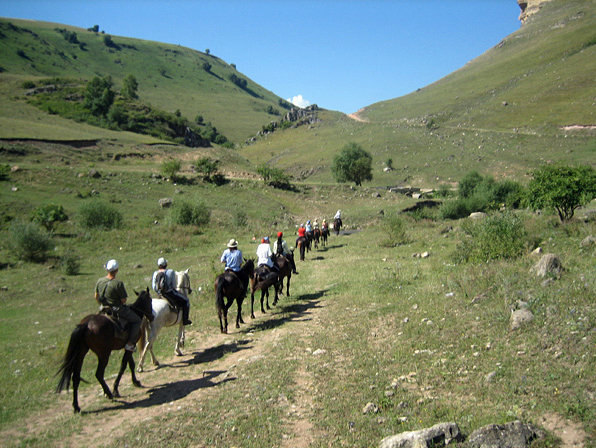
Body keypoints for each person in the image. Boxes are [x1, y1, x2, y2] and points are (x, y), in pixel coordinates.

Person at [95, 259, 141, 352]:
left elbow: (96, 297)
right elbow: (124, 300)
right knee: (137, 320)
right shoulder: (118, 283)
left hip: (103, 309)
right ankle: (130, 344)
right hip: (117, 309)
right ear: (116, 271)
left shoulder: (100, 281)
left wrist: (101, 305)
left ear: (107, 270)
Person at [152, 257, 192, 325]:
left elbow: (154, 287)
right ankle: (185, 320)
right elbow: (173, 286)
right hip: (170, 293)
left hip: (159, 294)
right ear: (166, 264)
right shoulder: (170, 272)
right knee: (186, 301)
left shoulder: (155, 273)